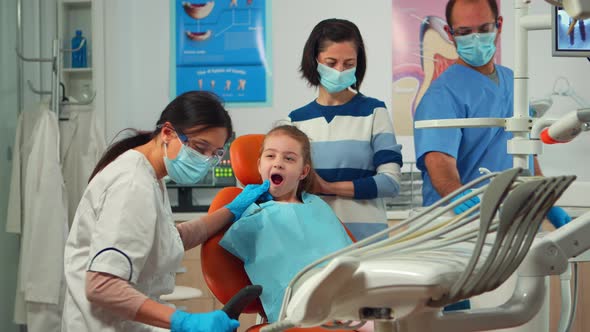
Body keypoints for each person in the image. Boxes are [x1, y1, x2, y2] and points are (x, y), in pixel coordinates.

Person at [62, 91, 271, 332]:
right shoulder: (133, 184)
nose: (205, 160)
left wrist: (232, 210)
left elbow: (169, 239)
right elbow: (102, 285)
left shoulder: (150, 176)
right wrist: (183, 321)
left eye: (214, 154)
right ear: (168, 133)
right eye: (200, 148)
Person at [413, 0, 570, 228]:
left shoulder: (514, 82)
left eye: (484, 29)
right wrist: (457, 197)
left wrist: (546, 202)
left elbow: (526, 152)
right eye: (465, 32)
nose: (476, 39)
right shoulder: (442, 95)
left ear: (499, 25)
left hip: (507, 218)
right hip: (454, 221)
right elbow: (439, 161)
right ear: (450, 33)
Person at [219, 125, 353, 323]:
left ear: (303, 171)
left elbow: (348, 257)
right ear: (259, 165)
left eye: (289, 158)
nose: (278, 163)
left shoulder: (317, 205)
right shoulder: (252, 213)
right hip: (297, 310)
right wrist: (237, 211)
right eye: (270, 156)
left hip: (347, 299)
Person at [287, 18, 403, 241]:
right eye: (331, 63)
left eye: (349, 64)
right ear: (315, 61)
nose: (340, 71)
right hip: (313, 242)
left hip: (367, 242)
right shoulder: (294, 122)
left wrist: (328, 187)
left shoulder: (374, 112)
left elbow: (390, 182)